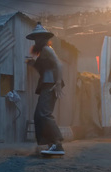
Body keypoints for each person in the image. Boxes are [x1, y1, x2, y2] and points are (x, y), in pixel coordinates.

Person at [26, 22, 65, 155]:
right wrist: (33, 64)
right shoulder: (42, 51)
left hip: (51, 83)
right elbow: (44, 69)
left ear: (44, 38)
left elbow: (58, 65)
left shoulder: (47, 49)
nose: (37, 40)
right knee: (39, 115)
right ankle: (50, 145)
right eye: (35, 38)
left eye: (39, 37)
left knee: (44, 113)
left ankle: (57, 145)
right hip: (46, 83)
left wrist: (58, 82)